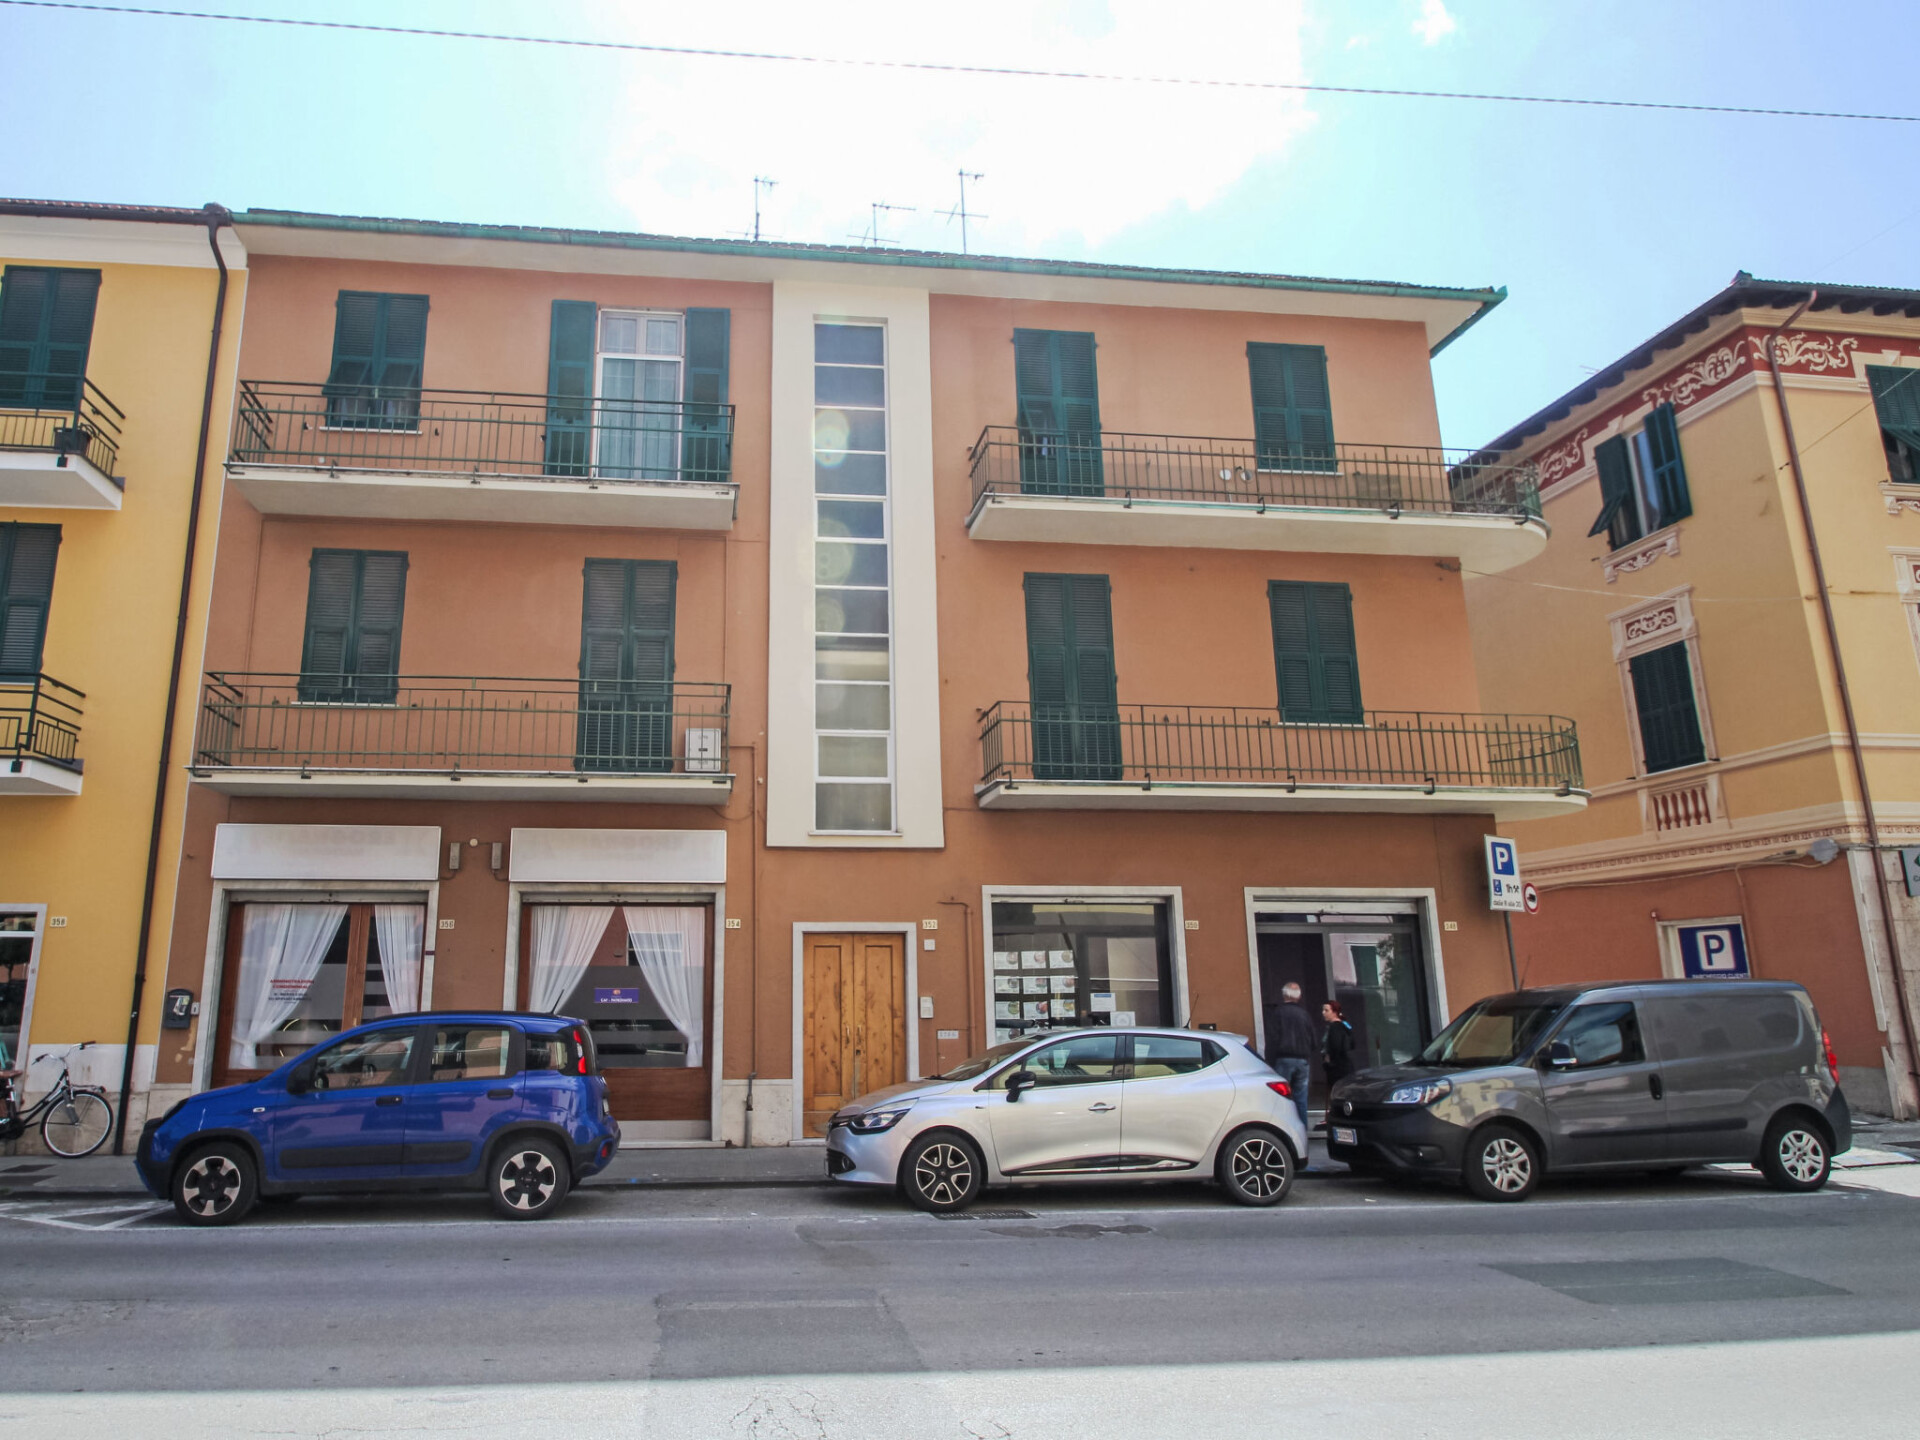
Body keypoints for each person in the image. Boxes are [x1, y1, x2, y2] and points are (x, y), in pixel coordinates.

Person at [1266, 982, 1315, 1131]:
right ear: (1298, 996)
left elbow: (1273, 1039)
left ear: (1284, 995)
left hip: (1283, 1059)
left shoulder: (1278, 1013)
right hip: (1302, 1060)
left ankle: (1283, 1131)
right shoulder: (1304, 1014)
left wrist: (1269, 1062)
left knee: (1281, 1099)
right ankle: (1302, 1132)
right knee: (1301, 1099)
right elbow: (1313, 1040)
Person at [1321, 1000, 1356, 1089]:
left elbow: (1335, 1046)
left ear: (1334, 1012)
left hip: (1337, 1068)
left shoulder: (1334, 1027)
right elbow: (1353, 1043)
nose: (1323, 1013)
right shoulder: (1345, 1025)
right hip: (1346, 1065)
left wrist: (1328, 1059)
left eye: (1326, 1010)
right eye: (1323, 1010)